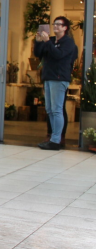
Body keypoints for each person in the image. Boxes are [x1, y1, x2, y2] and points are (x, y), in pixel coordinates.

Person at [35, 16, 78, 150]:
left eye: (59, 24)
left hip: (59, 78)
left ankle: (56, 140)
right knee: (50, 110)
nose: (56, 26)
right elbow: (38, 53)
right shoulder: (52, 40)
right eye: (55, 24)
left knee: (57, 110)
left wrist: (47, 42)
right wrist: (38, 42)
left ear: (65, 28)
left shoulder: (68, 42)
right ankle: (53, 137)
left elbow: (58, 55)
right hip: (48, 77)